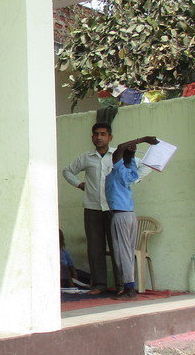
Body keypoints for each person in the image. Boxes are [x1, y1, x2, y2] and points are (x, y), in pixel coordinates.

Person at [63, 122, 150, 294]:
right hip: (92, 207)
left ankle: (121, 285)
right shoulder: (86, 157)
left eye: (103, 134)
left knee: (118, 248)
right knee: (95, 248)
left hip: (114, 209)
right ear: (92, 138)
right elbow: (67, 171)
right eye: (96, 134)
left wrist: (132, 180)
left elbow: (144, 165)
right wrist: (79, 184)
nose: (99, 137)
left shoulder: (118, 155)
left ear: (110, 137)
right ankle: (99, 284)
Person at [105, 135, 159, 299]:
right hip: (129, 215)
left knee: (122, 253)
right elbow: (123, 152)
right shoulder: (131, 172)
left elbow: (120, 147)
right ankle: (128, 287)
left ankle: (129, 288)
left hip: (120, 215)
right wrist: (133, 150)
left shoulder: (119, 170)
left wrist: (142, 140)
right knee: (126, 252)